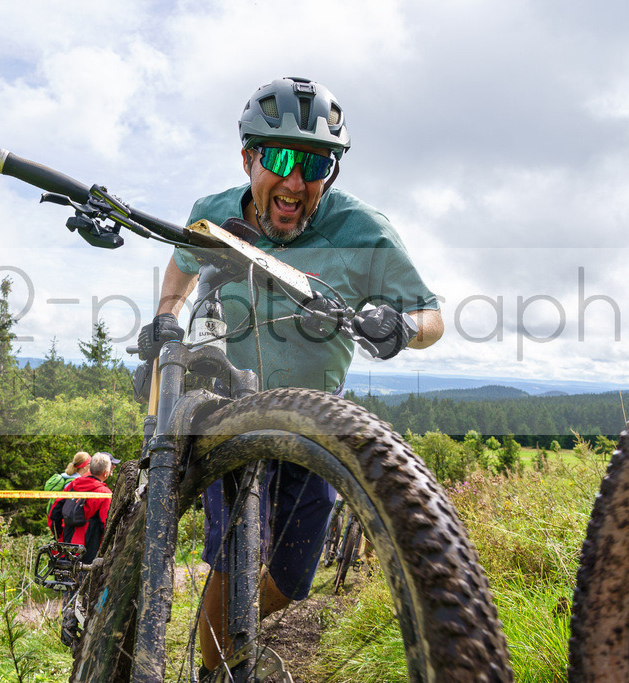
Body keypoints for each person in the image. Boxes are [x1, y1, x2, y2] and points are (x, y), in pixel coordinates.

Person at [137, 76, 443, 676]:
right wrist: (165, 317)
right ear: (248, 157)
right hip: (229, 407)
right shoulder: (214, 213)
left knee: (292, 577)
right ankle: (214, 671)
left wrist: (402, 329)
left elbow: (431, 315)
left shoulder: (364, 231)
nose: (296, 183)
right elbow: (181, 265)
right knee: (232, 559)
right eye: (278, 159)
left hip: (312, 415)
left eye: (317, 164)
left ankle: (233, 636)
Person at [61, 452, 118, 563]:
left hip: (67, 537)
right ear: (105, 473)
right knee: (83, 576)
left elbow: (57, 507)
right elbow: (105, 522)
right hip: (89, 542)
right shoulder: (104, 493)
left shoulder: (74, 484)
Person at [43, 451, 90, 535]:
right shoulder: (73, 482)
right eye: (90, 463)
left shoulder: (67, 477)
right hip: (65, 525)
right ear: (85, 467)